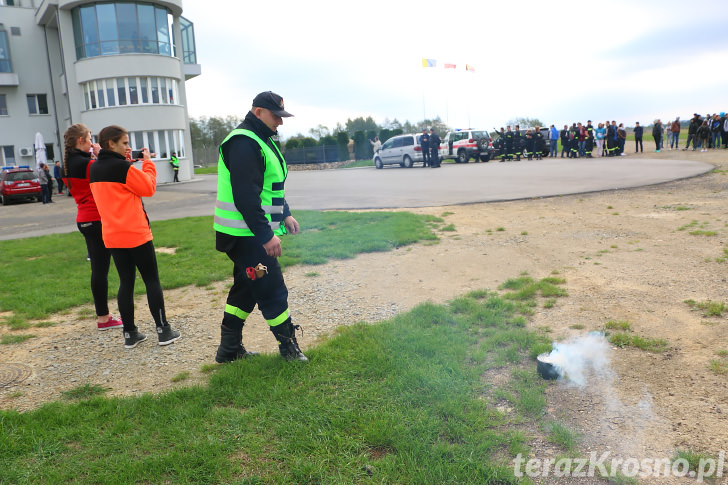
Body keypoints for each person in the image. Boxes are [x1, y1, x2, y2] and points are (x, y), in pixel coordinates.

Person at [213, 91, 306, 363]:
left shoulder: (262, 139)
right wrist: (266, 236)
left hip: (250, 232)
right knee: (271, 287)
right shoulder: (243, 142)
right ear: (258, 112)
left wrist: (285, 214)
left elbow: (270, 186)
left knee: (245, 287)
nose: (280, 121)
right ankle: (289, 348)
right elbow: (245, 196)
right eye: (276, 116)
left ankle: (228, 350)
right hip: (247, 235)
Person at [89, 125, 180, 349]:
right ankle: (163, 330)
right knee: (151, 280)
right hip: (136, 233)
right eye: (125, 143)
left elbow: (117, 182)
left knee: (125, 283)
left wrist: (129, 164)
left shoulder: (94, 168)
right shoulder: (123, 168)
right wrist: (148, 163)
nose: (129, 148)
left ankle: (130, 333)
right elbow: (148, 188)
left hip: (112, 235)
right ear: (111, 143)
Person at [63, 123, 122, 331]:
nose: (92, 142)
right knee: (117, 266)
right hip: (98, 219)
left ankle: (103, 317)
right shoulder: (86, 163)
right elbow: (109, 176)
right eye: (89, 138)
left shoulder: (68, 163)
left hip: (84, 219)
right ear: (81, 141)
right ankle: (108, 318)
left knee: (98, 270)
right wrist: (102, 155)